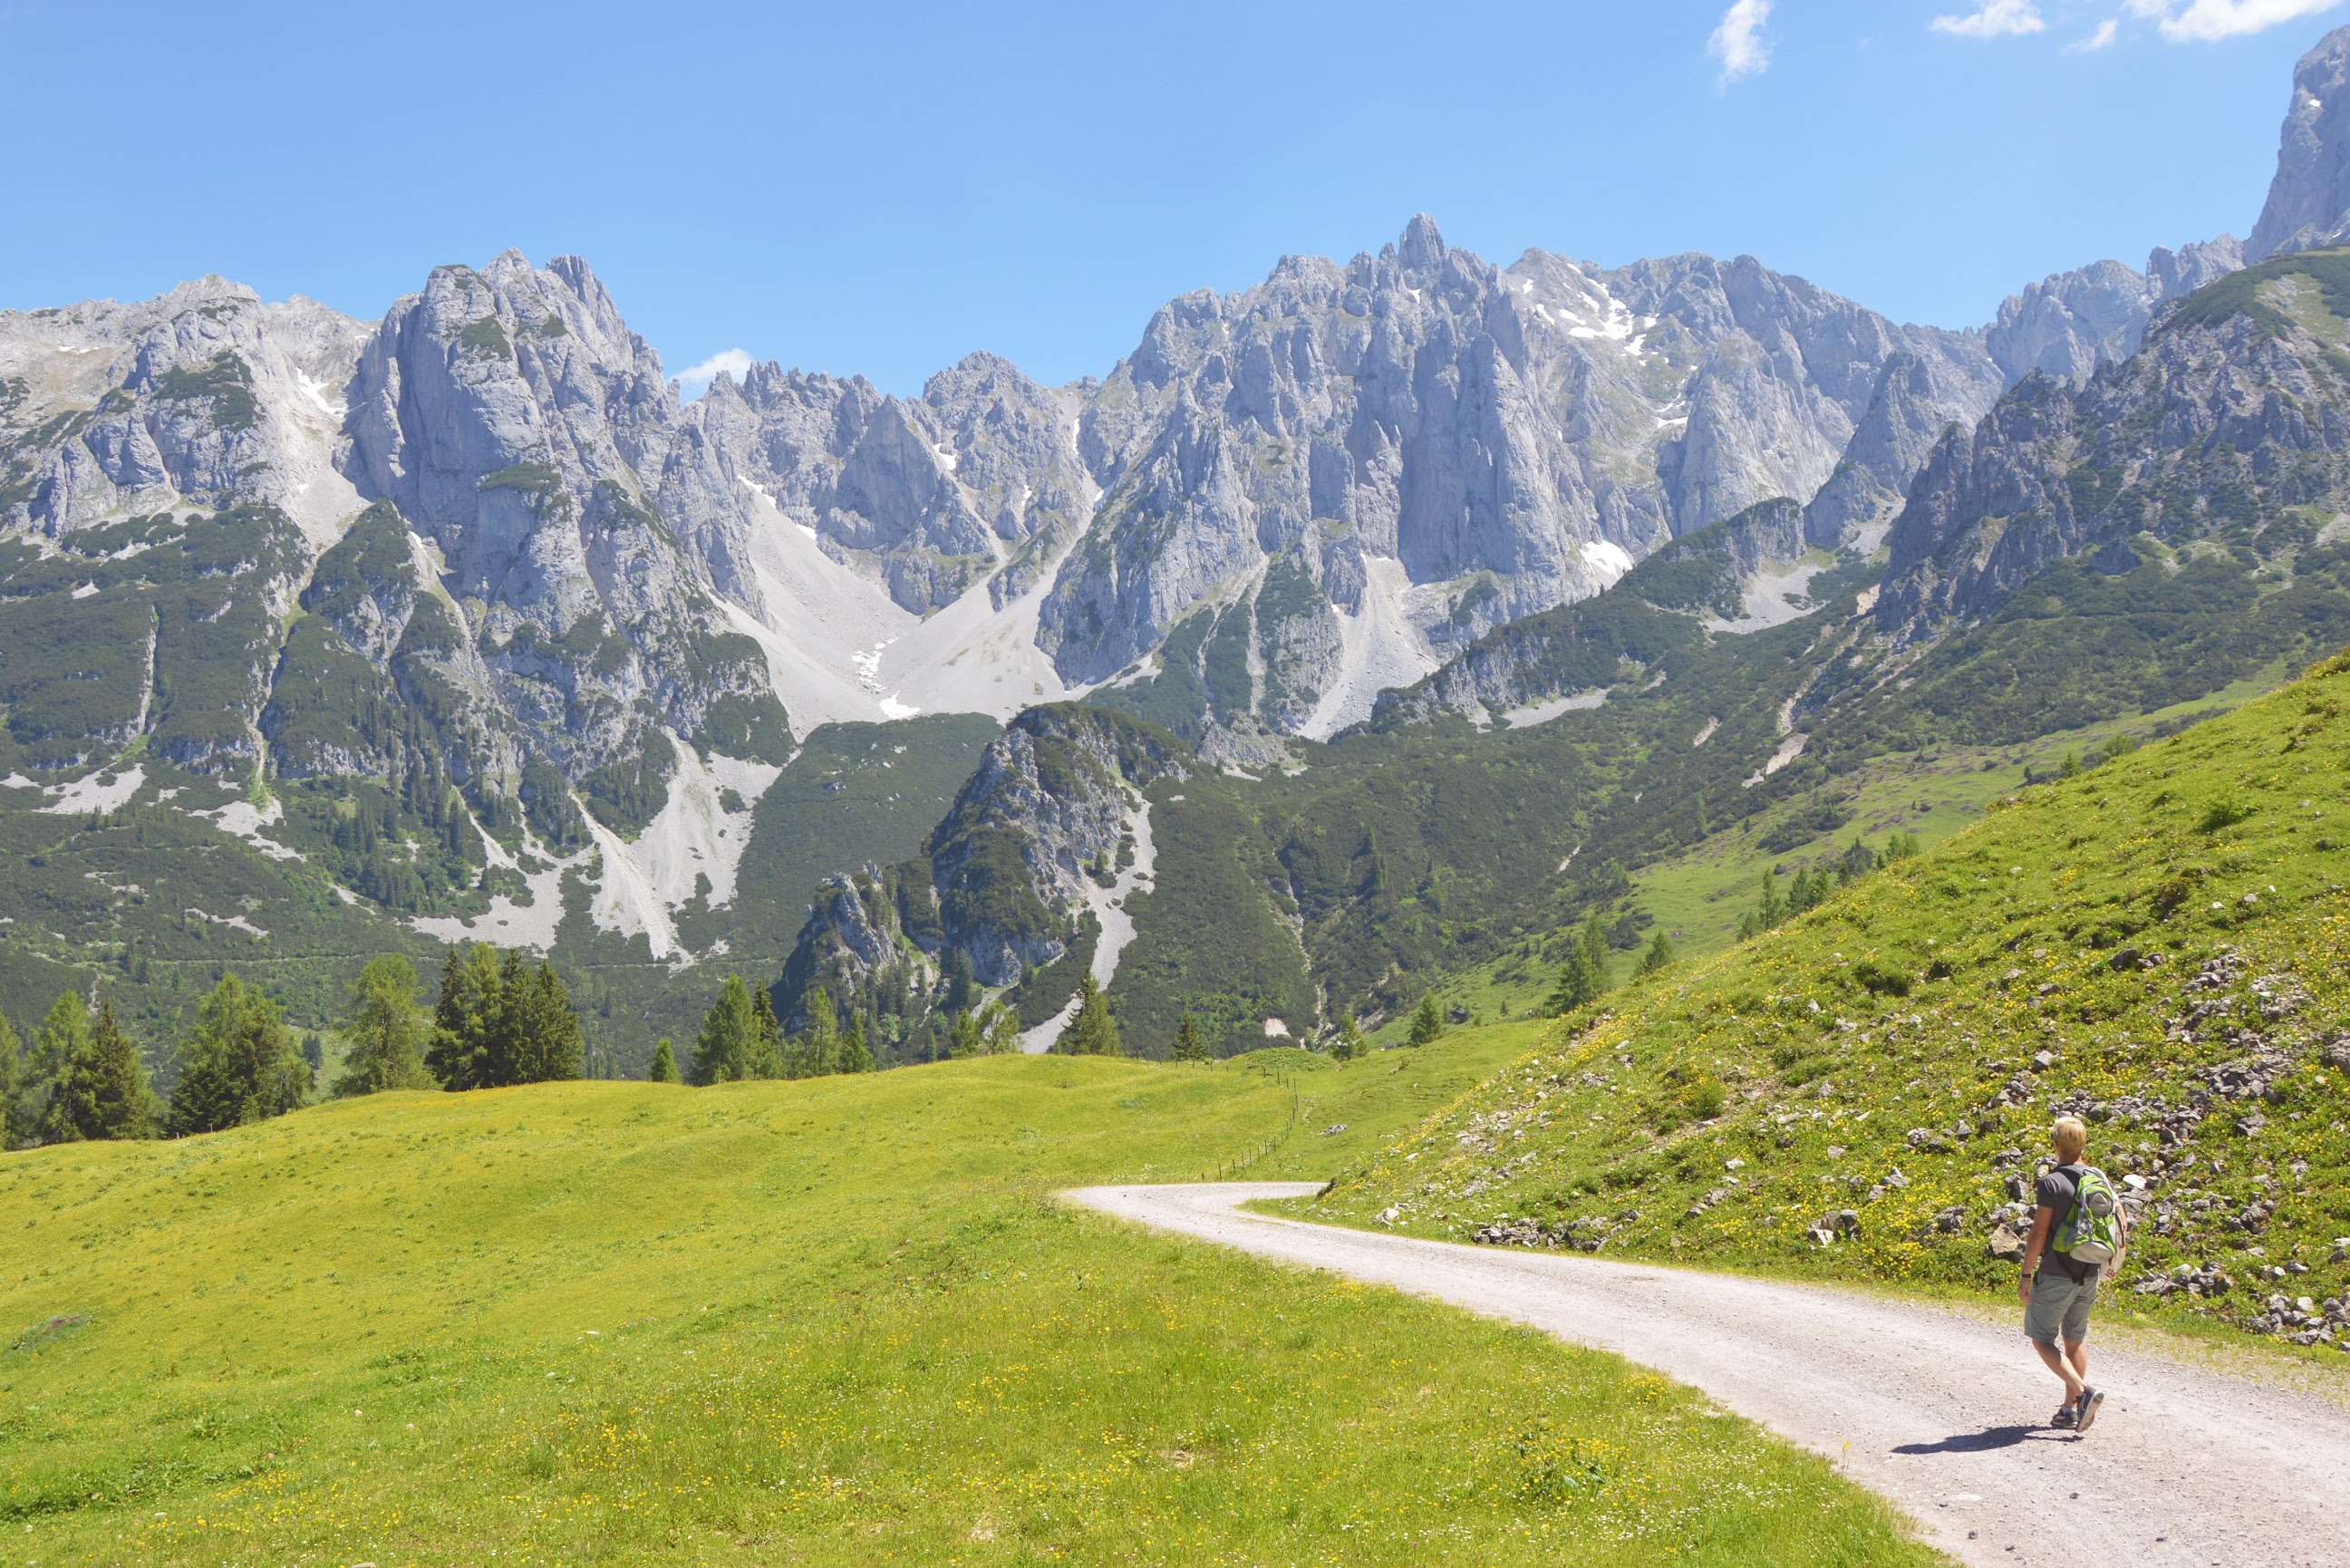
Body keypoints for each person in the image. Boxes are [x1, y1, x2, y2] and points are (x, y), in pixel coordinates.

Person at [2016, 1115, 2123, 1433]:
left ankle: (2083, 1392)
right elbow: (2122, 1222)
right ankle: (2069, 1411)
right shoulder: (2099, 1178)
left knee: (2041, 1339)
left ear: (2055, 1144)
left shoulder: (2052, 1182)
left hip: (2056, 1273)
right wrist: (2112, 1262)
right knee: (2074, 1341)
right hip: (2090, 1271)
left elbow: (2039, 1233)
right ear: (2083, 1143)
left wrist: (2025, 1275)